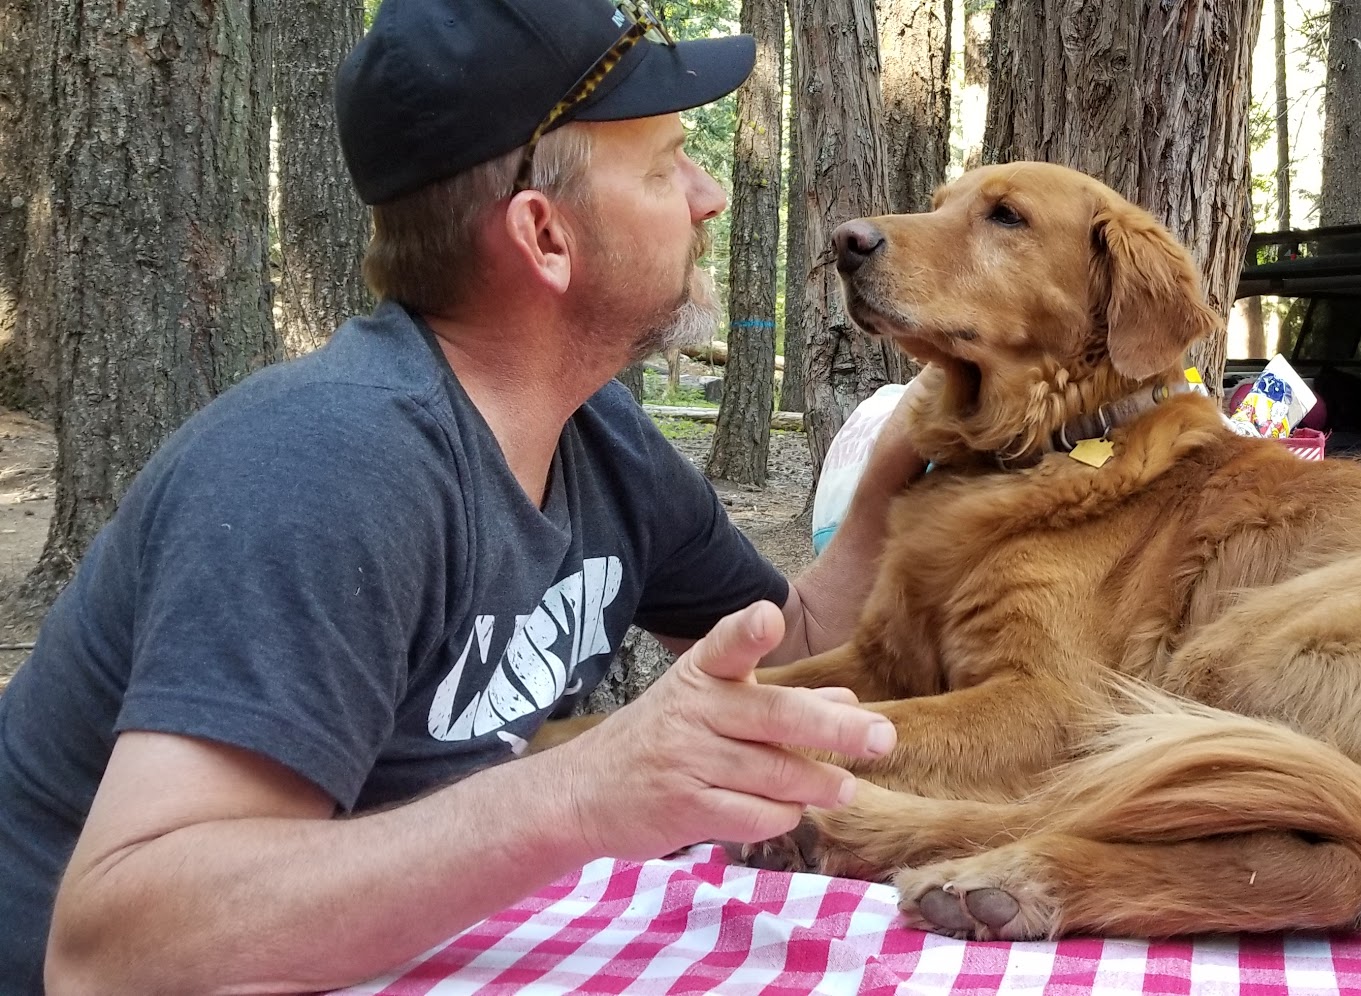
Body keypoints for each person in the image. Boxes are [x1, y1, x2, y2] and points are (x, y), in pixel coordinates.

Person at [0, 1, 924, 991]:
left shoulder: (598, 440)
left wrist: (914, 447)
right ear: (545, 234)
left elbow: (799, 644)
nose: (705, 197)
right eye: (662, 166)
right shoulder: (328, 465)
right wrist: (584, 792)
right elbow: (113, 953)